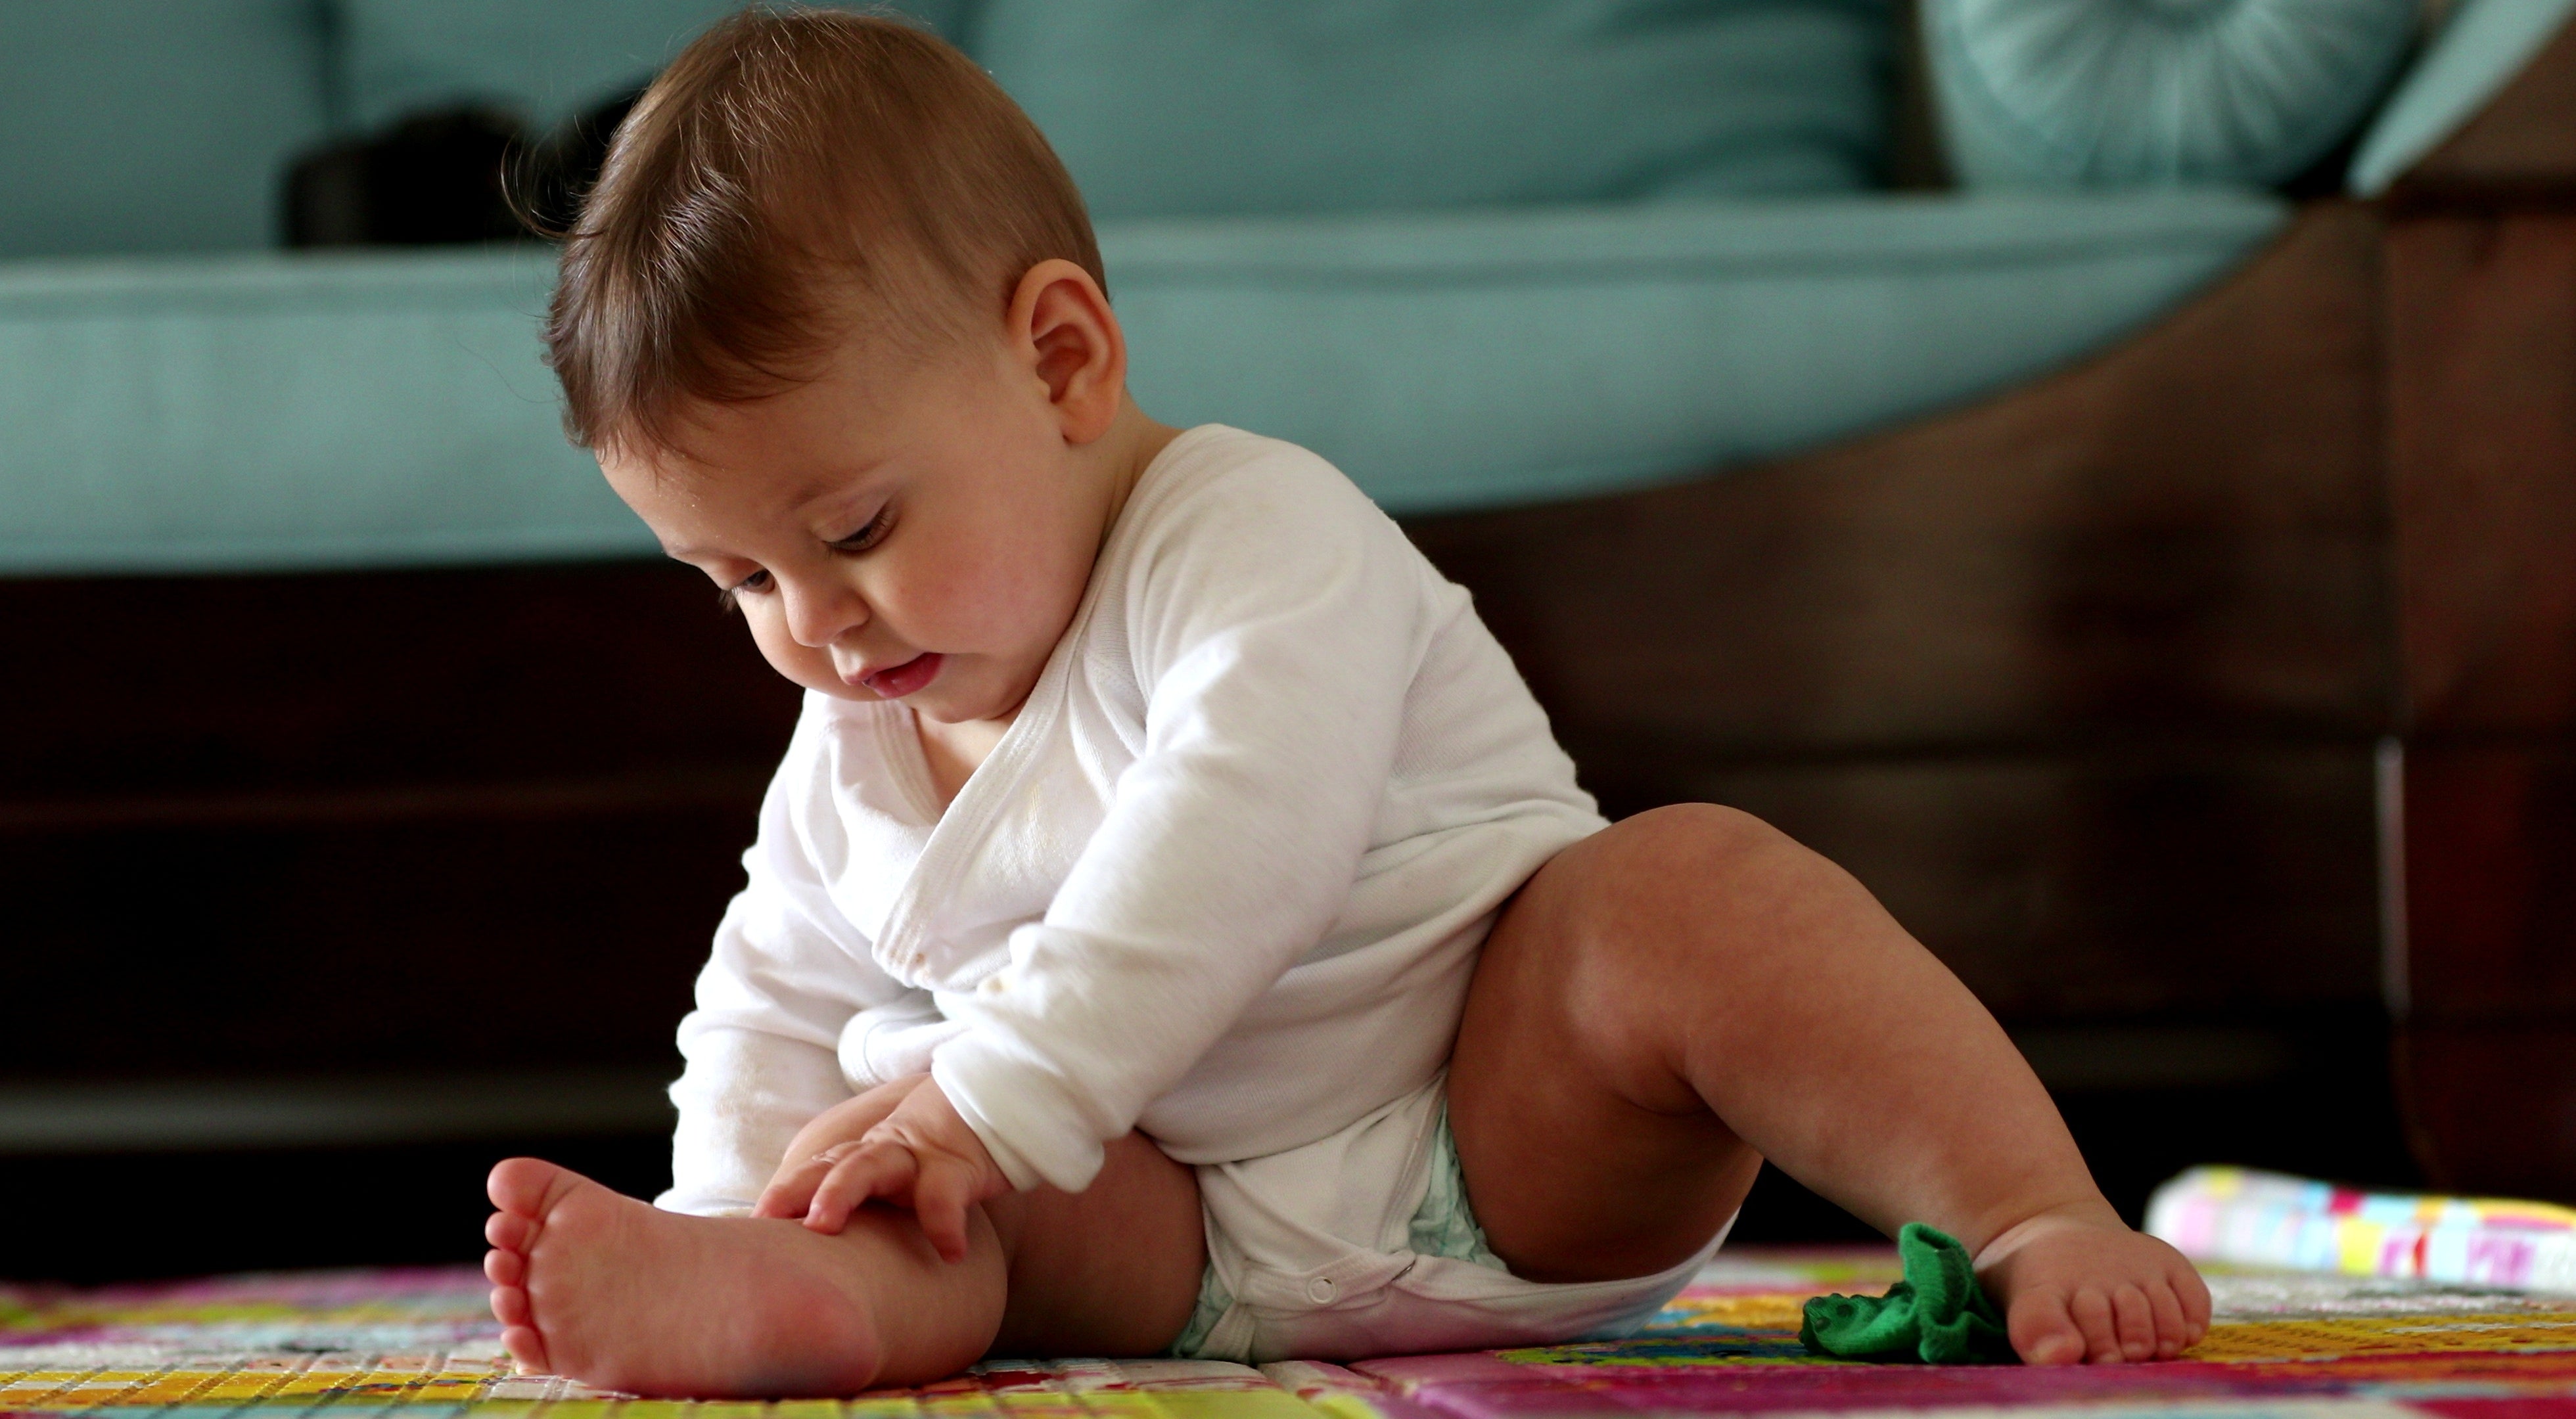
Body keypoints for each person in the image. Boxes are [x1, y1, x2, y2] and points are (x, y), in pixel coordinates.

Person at [480, 9, 2211, 1397]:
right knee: (891, 1159)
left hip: (1505, 1132)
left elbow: (1241, 833)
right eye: (742, 583)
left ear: (1063, 359)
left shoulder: (1254, 533)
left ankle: (2025, 1209)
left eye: (853, 530)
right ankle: (796, 1309)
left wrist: (988, 1103)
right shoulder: (858, 735)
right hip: (1173, 1246)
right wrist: (742, 1199)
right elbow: (771, 992)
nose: (816, 626)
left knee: (1683, 893)